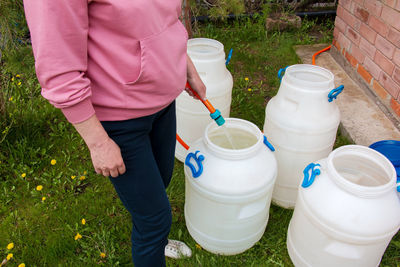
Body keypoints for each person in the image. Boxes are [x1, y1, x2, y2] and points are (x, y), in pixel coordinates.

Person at [23, 0, 206, 266]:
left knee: (161, 180)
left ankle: (157, 240)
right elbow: (58, 67)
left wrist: (184, 66)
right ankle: (154, 239)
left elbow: (162, 19)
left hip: (162, 102)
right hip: (120, 116)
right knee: (154, 219)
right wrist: (97, 143)